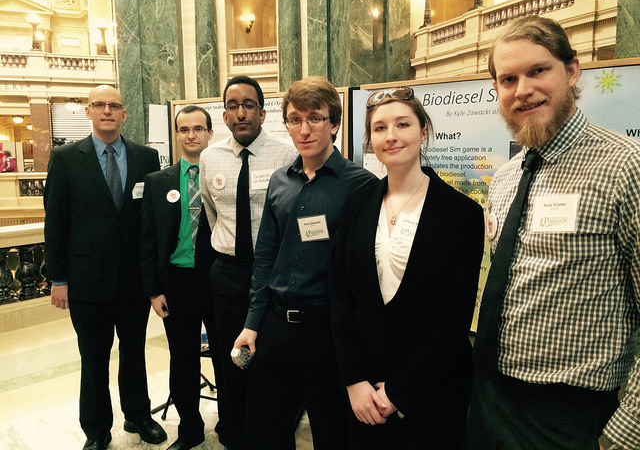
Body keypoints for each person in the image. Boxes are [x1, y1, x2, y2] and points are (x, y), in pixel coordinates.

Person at [466, 15, 640, 450]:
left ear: (573, 70)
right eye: (508, 79)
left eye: (537, 70)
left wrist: (624, 433)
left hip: (572, 418)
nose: (522, 89)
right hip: (490, 401)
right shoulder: (505, 180)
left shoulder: (626, 166)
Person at [329, 86, 484, 449]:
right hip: (362, 390)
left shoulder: (461, 213)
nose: (392, 136)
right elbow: (340, 294)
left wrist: (399, 392)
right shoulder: (356, 203)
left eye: (403, 124)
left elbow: (455, 315)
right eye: (380, 128)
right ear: (370, 139)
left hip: (431, 390)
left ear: (423, 131)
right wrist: (353, 380)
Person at [233, 75, 379, 450]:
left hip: (328, 331)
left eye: (315, 118)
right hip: (277, 326)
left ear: (334, 123)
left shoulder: (360, 185)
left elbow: (365, 271)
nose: (304, 129)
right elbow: (266, 255)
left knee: (332, 433)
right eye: (295, 119)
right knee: (263, 432)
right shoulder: (281, 181)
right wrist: (252, 324)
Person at [44, 84, 167, 450]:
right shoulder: (66, 157)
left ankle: (138, 415)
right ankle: (97, 431)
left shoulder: (147, 158)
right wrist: (59, 278)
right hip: (86, 280)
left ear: (124, 113)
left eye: (115, 105)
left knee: (134, 353)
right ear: (88, 112)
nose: (107, 111)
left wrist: (154, 280)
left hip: (132, 279)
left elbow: (151, 222)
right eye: (100, 105)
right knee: (94, 358)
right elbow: (56, 221)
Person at [199, 75, 297, 449]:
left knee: (269, 359)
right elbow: (212, 214)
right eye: (233, 105)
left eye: (249, 105)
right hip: (225, 275)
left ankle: (270, 432)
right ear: (223, 115)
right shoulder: (210, 157)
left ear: (263, 111)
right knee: (230, 359)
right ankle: (234, 432)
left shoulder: (286, 155)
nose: (241, 113)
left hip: (271, 275)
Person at [140, 105, 217, 450]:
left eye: (198, 128)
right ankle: (190, 428)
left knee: (229, 357)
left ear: (210, 134)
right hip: (177, 282)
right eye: (184, 129)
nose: (191, 135)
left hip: (219, 280)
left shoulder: (224, 176)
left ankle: (230, 423)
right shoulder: (159, 182)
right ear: (176, 134)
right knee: (182, 358)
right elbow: (148, 240)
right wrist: (154, 291)